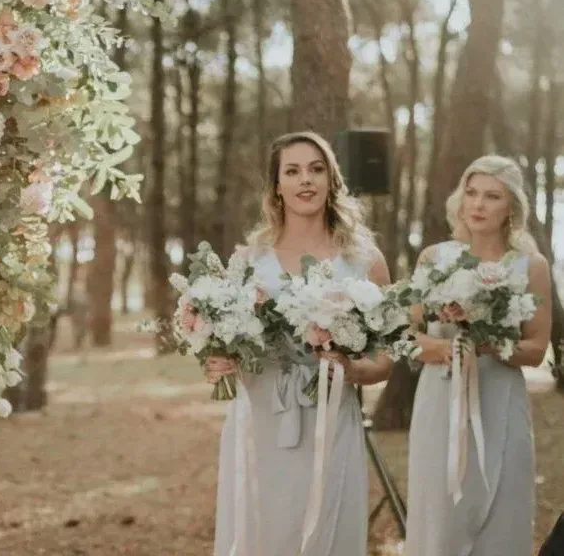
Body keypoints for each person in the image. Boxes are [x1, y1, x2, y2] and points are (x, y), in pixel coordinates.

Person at [207, 131, 393, 555]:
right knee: (265, 530)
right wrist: (219, 361)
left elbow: (383, 362)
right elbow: (227, 345)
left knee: (326, 527)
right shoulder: (249, 261)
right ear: (277, 186)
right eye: (292, 171)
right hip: (261, 418)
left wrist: (351, 369)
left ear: (332, 179)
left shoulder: (365, 261)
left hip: (330, 415)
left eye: (316, 169)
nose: (305, 180)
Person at [404, 155, 551, 555]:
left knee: (503, 509)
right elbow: (404, 334)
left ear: (512, 208)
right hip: (441, 398)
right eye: (471, 193)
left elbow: (536, 350)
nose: (478, 205)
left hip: (500, 398)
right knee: (440, 510)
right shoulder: (435, 259)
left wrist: (488, 343)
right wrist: (438, 347)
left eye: (492, 196)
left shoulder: (530, 266)